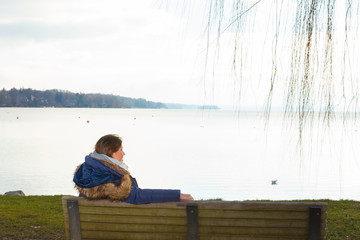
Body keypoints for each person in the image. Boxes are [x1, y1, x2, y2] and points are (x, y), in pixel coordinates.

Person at [73, 134, 193, 204]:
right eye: (121, 150)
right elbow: (139, 196)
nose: (124, 154)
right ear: (112, 154)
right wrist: (178, 195)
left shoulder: (86, 175)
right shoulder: (116, 180)